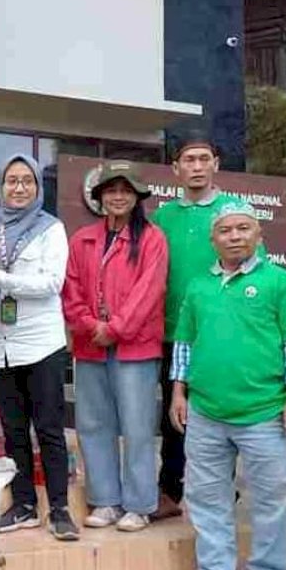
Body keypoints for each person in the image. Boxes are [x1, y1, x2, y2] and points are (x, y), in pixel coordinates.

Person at [169, 201, 286, 570]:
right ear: (213, 239)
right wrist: (178, 392)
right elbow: (184, 342)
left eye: (243, 228)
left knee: (271, 498)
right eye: (225, 230)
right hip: (205, 411)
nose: (234, 236)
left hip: (264, 412)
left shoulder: (280, 283)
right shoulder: (199, 286)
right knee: (205, 495)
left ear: (258, 235)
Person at [0, 154, 78, 542]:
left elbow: (51, 283)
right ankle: (24, 504)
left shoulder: (51, 229)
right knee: (13, 430)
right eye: (11, 180)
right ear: (1, 187)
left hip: (40, 342)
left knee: (48, 429)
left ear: (38, 187)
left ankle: (59, 509)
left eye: (27, 180)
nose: (19, 188)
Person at [62, 161, 168, 533]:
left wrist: (117, 328)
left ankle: (139, 504)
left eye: (126, 190)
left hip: (135, 347)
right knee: (93, 424)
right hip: (90, 344)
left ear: (137, 196)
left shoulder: (152, 239)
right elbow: (70, 290)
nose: (118, 196)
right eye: (111, 190)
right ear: (100, 196)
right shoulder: (82, 239)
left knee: (137, 427)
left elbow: (149, 292)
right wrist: (90, 325)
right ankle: (105, 500)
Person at [148, 132, 246, 520]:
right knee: (173, 418)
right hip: (172, 333)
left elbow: (252, 269)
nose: (197, 167)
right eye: (189, 160)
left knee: (219, 412)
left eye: (204, 159)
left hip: (219, 334)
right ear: (176, 168)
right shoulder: (163, 217)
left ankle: (221, 492)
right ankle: (169, 491)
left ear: (216, 165)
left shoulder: (234, 213)